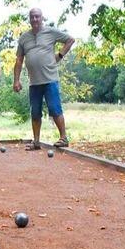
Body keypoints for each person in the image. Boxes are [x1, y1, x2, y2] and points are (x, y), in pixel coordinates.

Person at [13, 8, 75, 150]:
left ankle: (63, 137)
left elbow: (70, 40)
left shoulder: (50, 32)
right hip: (34, 82)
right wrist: (16, 80)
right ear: (29, 19)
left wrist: (59, 55)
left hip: (50, 79)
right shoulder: (24, 38)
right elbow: (19, 60)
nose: (35, 19)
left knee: (55, 108)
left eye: (37, 16)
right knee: (35, 112)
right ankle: (36, 141)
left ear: (42, 18)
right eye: (32, 17)